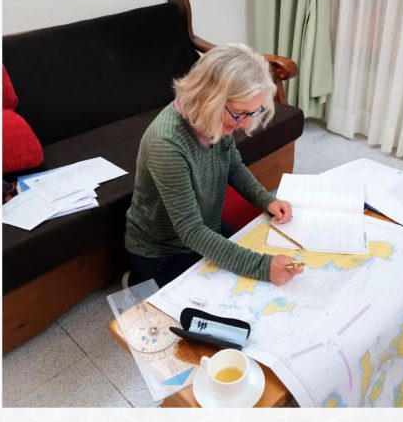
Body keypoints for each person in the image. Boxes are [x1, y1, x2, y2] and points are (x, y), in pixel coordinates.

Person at [124, 43, 304, 288]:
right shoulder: (166, 143)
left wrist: (266, 199)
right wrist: (262, 267)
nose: (244, 124)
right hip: (163, 251)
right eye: (241, 113)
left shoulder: (215, 118)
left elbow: (234, 167)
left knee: (251, 268)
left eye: (254, 112)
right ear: (210, 98)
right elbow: (191, 231)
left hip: (206, 226)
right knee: (231, 289)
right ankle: (137, 279)